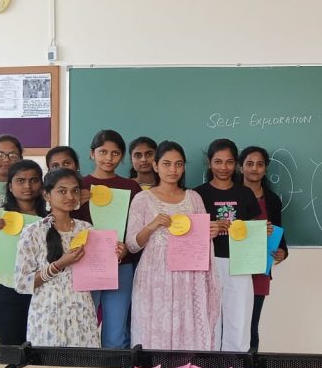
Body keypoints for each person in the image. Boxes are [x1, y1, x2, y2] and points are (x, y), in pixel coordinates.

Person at [126, 141, 221, 350]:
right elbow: (132, 245)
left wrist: (210, 232)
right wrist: (151, 226)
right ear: (156, 166)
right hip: (155, 278)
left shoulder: (194, 198)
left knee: (187, 329)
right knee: (154, 331)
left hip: (188, 278)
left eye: (178, 164)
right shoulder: (142, 199)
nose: (173, 170)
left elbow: (200, 239)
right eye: (167, 164)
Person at [15, 168, 102, 347]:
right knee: (49, 363)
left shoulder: (86, 229)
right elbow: (22, 283)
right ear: (46, 195)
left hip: (81, 311)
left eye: (75, 191)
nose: (70, 196)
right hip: (47, 313)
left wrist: (114, 254)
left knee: (84, 362)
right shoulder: (33, 232)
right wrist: (60, 264)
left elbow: (97, 273)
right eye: (62, 191)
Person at [73, 129, 139, 349]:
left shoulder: (132, 187)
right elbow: (64, 224)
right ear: (92, 153)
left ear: (122, 156)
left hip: (121, 264)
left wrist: (127, 248)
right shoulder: (78, 186)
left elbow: (137, 226)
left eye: (115, 153)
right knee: (85, 326)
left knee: (116, 332)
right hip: (85, 263)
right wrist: (76, 203)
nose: (108, 158)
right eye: (103, 152)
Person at [194, 139, 262, 352]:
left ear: (236, 164)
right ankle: (208, 363)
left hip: (240, 263)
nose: (223, 167)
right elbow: (190, 233)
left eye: (229, 162)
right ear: (209, 162)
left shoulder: (245, 194)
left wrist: (261, 231)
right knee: (208, 318)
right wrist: (209, 228)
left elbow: (252, 228)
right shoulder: (197, 195)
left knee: (239, 317)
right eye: (218, 161)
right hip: (207, 262)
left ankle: (236, 364)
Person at [0, 159, 48, 344]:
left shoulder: (50, 216)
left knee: (42, 347)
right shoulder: (0, 216)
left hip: (43, 290)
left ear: (41, 184)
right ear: (10, 186)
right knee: (12, 348)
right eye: (20, 181)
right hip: (8, 292)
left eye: (34, 180)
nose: (27, 186)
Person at [239, 146, 289, 352]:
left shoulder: (272, 199)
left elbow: (278, 233)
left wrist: (283, 251)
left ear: (265, 169)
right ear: (241, 167)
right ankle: (227, 366)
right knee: (230, 322)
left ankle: (250, 367)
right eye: (249, 164)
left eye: (260, 164)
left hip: (259, 269)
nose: (254, 169)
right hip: (233, 267)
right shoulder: (232, 194)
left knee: (251, 324)